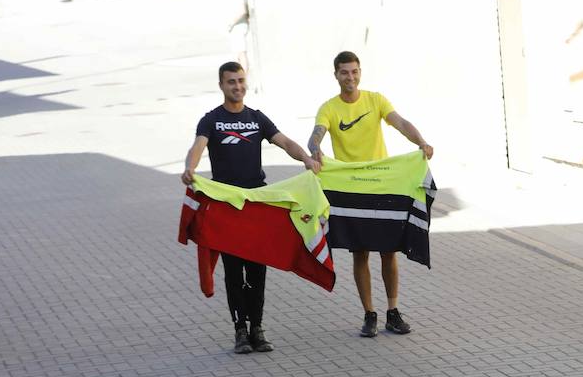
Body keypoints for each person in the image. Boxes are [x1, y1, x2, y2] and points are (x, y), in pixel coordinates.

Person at [182, 62, 322, 354]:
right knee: (234, 272)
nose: (237, 86)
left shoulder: (256, 118)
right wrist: (190, 167)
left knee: (257, 270)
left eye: (241, 81)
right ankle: (240, 331)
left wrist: (306, 160)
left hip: (256, 205)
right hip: (227, 207)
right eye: (231, 81)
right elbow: (198, 145)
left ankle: (257, 328)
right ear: (221, 85)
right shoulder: (211, 120)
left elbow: (283, 141)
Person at [308, 51, 433, 338]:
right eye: (344, 73)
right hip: (351, 189)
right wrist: (315, 148)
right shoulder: (329, 108)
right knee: (360, 253)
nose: (350, 77)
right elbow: (317, 133)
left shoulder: (375, 99)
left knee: (389, 252)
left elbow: (400, 122)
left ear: (360, 72)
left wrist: (422, 142)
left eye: (354, 72)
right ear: (336, 75)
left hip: (382, 185)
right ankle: (369, 314)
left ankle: (392, 312)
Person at [222, 0, 249, 72]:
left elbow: (242, 10)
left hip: (239, 25)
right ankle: (240, 78)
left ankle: (243, 79)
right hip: (236, 25)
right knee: (237, 54)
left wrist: (232, 23)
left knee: (241, 53)